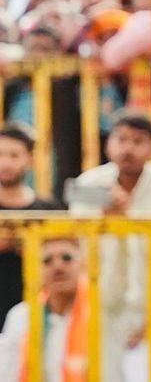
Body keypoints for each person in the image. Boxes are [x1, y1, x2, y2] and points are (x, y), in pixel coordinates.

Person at [69, 111, 151, 382]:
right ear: (108, 143)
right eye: (121, 139)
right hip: (101, 298)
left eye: (137, 141)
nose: (127, 148)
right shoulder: (88, 184)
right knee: (104, 370)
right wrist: (108, 217)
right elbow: (77, 242)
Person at [0, 123, 63, 330]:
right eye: (1, 155)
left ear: (30, 159)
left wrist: (32, 249)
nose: (6, 163)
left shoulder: (49, 210)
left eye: (14, 155)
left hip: (36, 316)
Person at [0, 237, 88, 382]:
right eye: (47, 261)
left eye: (67, 258)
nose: (58, 266)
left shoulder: (101, 313)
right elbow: (7, 374)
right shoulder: (22, 315)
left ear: (83, 264)